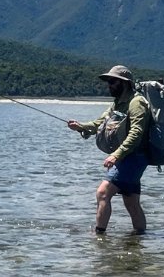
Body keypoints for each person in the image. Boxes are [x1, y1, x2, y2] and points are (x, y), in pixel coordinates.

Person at [66, 65, 150, 235]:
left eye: (112, 82)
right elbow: (99, 123)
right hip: (128, 158)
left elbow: (136, 133)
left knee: (103, 193)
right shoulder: (117, 103)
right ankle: (140, 238)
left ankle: (99, 236)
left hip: (134, 157)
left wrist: (115, 155)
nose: (109, 85)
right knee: (131, 201)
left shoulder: (137, 102)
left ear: (124, 83)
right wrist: (80, 126)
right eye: (109, 82)